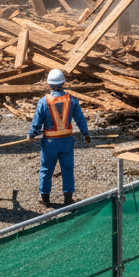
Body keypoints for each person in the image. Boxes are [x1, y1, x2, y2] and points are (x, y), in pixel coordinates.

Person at [28, 69, 90, 207]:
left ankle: (45, 198)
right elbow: (80, 118)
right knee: (67, 168)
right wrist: (85, 133)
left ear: (49, 84)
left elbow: (37, 122)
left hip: (50, 142)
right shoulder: (71, 100)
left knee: (46, 169)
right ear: (63, 82)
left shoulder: (44, 102)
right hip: (67, 141)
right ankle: (68, 198)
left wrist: (32, 134)